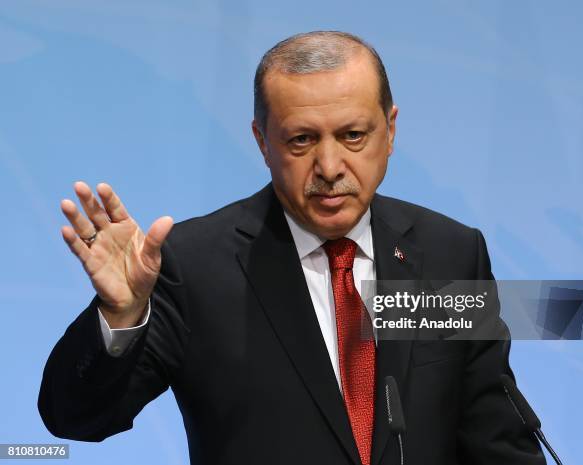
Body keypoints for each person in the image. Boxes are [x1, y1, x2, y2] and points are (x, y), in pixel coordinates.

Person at [38, 31, 545, 465]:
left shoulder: (448, 253)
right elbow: (75, 418)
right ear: (263, 142)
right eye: (301, 140)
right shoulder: (193, 267)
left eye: (352, 135)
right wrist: (121, 316)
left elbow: (495, 437)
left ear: (390, 131)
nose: (328, 166)